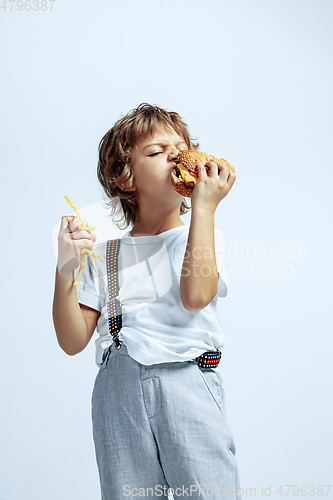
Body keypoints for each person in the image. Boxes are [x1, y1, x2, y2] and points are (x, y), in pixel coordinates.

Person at [52, 103, 241, 499]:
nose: (175, 155)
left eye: (181, 147)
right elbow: (72, 342)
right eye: (156, 152)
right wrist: (65, 269)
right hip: (118, 394)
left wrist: (204, 207)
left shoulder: (204, 237)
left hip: (187, 384)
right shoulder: (104, 253)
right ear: (125, 178)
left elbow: (196, 297)